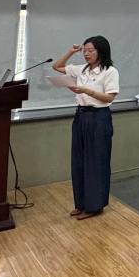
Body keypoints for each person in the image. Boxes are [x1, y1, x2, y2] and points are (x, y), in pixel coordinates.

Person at [53, 37, 120, 220]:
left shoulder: (109, 71)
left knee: (96, 162)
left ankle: (95, 206)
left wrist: (85, 90)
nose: (86, 54)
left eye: (91, 51)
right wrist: (71, 51)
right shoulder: (81, 69)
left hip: (99, 118)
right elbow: (57, 67)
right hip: (81, 116)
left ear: (101, 51)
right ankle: (81, 203)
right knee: (79, 161)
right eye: (85, 51)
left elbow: (109, 98)